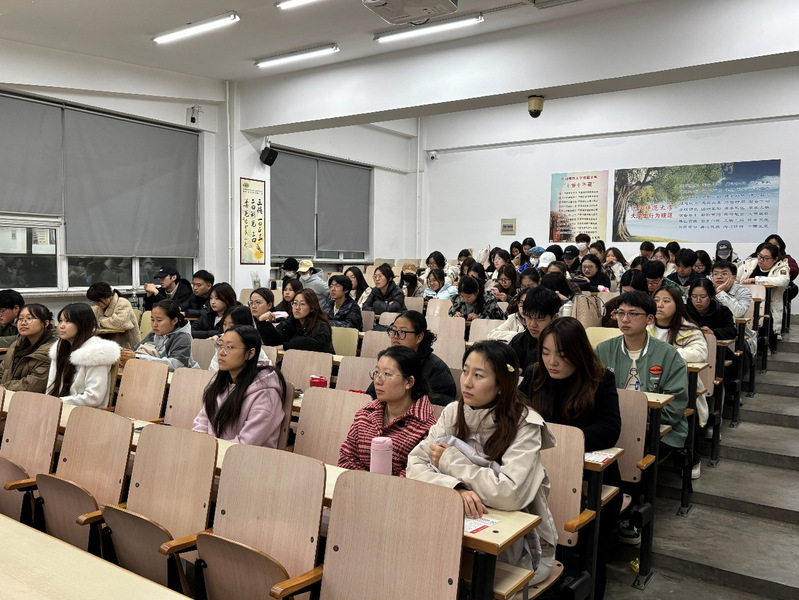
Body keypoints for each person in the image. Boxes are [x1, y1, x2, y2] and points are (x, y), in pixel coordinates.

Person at [407, 341, 557, 585]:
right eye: (465, 371)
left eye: (478, 375)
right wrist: (455, 488)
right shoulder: (454, 411)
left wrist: (451, 462)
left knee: (456, 580)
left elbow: (509, 493)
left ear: (501, 384)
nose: (466, 382)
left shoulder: (525, 424)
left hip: (520, 547)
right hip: (459, 529)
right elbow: (415, 463)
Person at [525, 318, 621, 600]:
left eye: (562, 354)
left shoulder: (600, 379)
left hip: (590, 480)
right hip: (537, 476)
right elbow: (515, 414)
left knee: (587, 550)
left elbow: (610, 429)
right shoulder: (535, 375)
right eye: (545, 353)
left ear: (578, 352)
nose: (552, 361)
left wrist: (561, 442)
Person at [595, 291, 689, 454]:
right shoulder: (603, 349)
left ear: (650, 319)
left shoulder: (669, 354)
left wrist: (636, 416)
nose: (625, 319)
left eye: (633, 314)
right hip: (612, 423)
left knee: (636, 451)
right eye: (620, 313)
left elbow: (675, 405)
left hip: (655, 427)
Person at [339, 345, 436, 476]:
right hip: (357, 486)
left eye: (387, 374)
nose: (378, 381)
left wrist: (379, 485)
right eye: (376, 373)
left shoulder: (428, 428)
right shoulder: (366, 413)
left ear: (409, 382)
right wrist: (365, 483)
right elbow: (346, 458)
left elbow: (415, 474)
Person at [193, 325, 286, 447]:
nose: (221, 352)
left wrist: (211, 451)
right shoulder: (219, 381)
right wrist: (200, 447)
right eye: (220, 345)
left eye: (229, 347)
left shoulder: (266, 393)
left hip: (246, 456)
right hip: (212, 452)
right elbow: (202, 421)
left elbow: (247, 442)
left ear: (250, 353)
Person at [364, 310, 456, 405]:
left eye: (402, 332)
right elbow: (371, 396)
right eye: (394, 331)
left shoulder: (436, 368)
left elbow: (442, 404)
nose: (395, 336)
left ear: (419, 337)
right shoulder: (390, 361)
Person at [47, 303, 121, 407]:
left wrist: (57, 402)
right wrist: (48, 403)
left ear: (82, 323)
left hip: (85, 412)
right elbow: (51, 387)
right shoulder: (59, 349)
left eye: (68, 321)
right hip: (60, 407)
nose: (61, 326)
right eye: (60, 321)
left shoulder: (96, 353)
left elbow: (94, 398)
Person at [120, 299, 198, 371]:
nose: (154, 324)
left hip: (182, 378)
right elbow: (135, 350)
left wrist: (138, 358)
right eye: (152, 319)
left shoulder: (183, 337)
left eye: (159, 320)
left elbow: (176, 365)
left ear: (174, 321)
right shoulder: (154, 333)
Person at [0, 303, 56, 392]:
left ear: (45, 323)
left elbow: (32, 385)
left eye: (29, 318)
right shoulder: (16, 345)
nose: (23, 322)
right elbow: (2, 370)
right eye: (20, 319)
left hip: (33, 398)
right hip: (8, 394)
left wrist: (2, 388)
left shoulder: (51, 351)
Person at [738, 242, 790, 337]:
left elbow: (783, 281)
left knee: (765, 323)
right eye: (760, 256)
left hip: (769, 306)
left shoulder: (781, 267)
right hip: (746, 302)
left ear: (775, 259)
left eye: (765, 258)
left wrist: (756, 280)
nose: (761, 260)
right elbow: (735, 278)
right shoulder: (750, 264)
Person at [259, 289, 334, 353]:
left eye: (302, 304)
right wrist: (263, 323)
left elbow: (315, 344)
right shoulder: (291, 320)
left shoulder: (320, 325)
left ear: (311, 308)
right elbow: (276, 339)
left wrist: (285, 346)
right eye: (295, 303)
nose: (297, 307)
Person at [509, 287, 560, 374]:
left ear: (555, 317)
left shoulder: (563, 343)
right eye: (528, 317)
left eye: (540, 319)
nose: (532, 324)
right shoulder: (519, 341)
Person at [209, 306, 272, 371]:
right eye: (224, 324)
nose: (226, 329)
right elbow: (213, 370)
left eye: (231, 326)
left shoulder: (253, 347)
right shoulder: (222, 342)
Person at [85, 282, 140, 350]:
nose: (96, 304)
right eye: (94, 302)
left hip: (125, 344)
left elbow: (117, 322)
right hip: (108, 342)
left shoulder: (123, 303)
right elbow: (93, 319)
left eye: (98, 301)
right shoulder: (99, 307)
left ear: (106, 297)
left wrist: (100, 321)